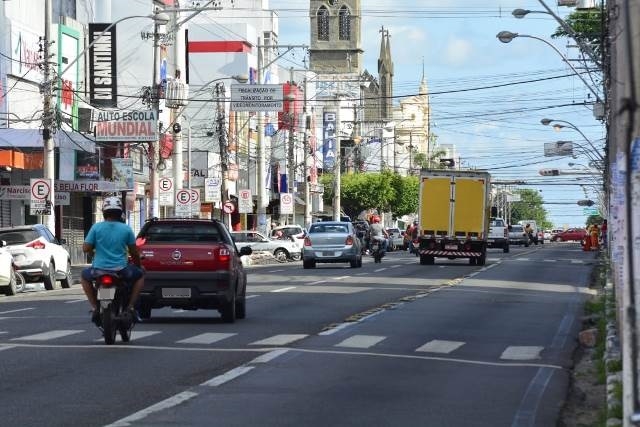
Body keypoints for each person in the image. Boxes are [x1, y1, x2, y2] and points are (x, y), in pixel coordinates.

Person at [80, 196, 145, 325]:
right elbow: (134, 252)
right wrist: (139, 265)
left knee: (84, 277)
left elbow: (86, 248)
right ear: (120, 212)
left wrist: (95, 250)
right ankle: (130, 307)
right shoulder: (126, 229)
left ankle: (94, 307)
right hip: (121, 270)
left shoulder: (96, 228)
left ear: (104, 212)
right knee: (140, 276)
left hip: (98, 270)